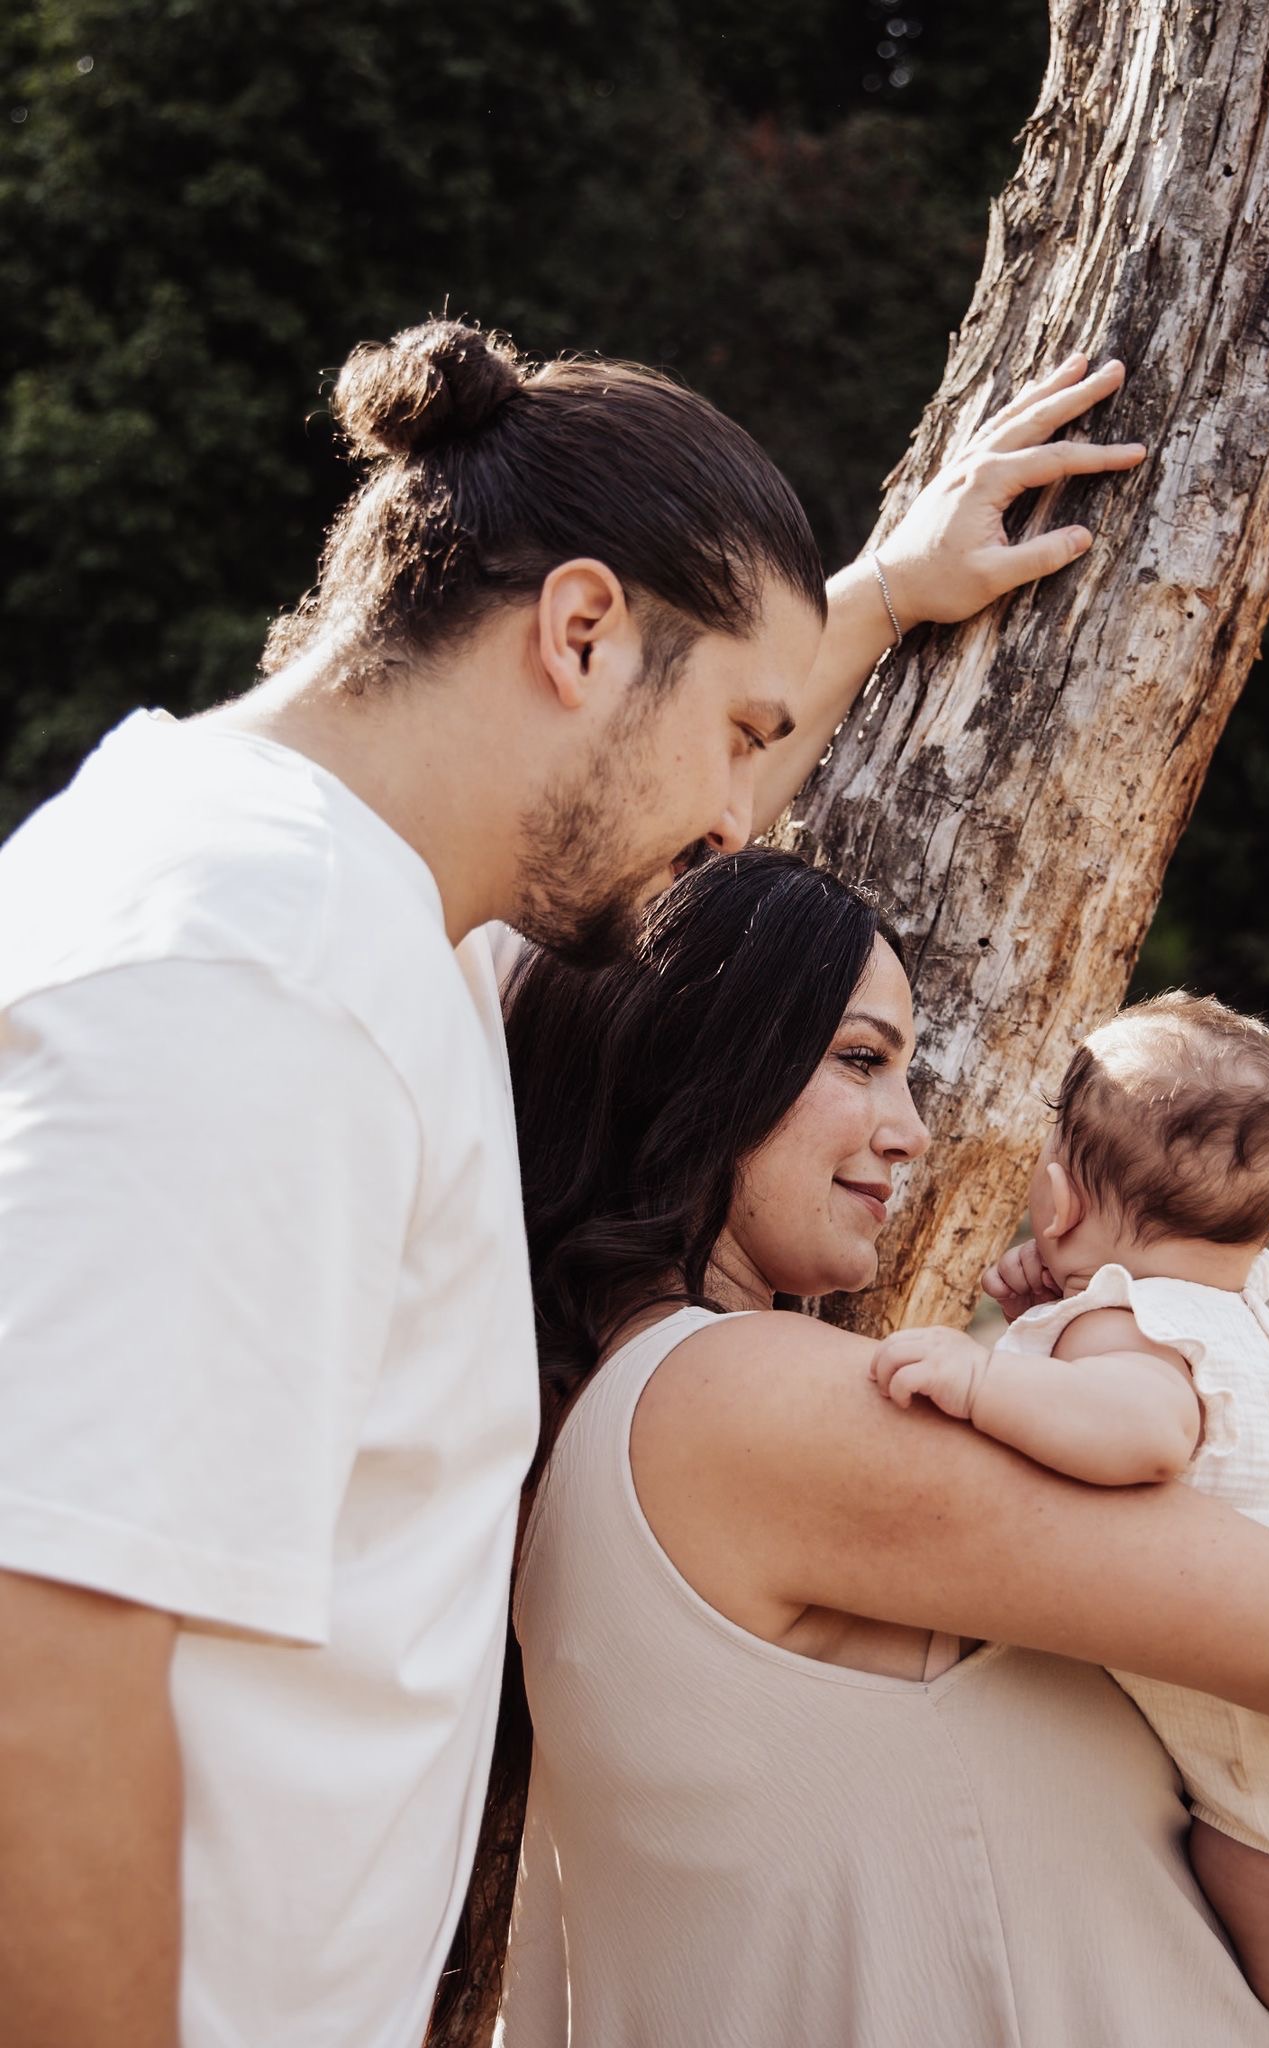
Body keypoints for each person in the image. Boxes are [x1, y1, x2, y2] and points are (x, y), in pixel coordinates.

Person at [0, 315, 1142, 2048]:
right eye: (746, 732)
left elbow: (663, 764)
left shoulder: (379, 917)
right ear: (580, 629)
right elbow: (40, 1671)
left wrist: (880, 594)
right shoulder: (243, 977)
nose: (746, 814)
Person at [497, 848, 1269, 2048]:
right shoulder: (740, 1396)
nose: (909, 1131)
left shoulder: (621, 1416)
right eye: (860, 1058)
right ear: (693, 1055)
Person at [869, 992, 1269, 2048]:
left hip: (1267, 1743)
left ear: (1059, 1199)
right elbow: (1126, 1392)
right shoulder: (1217, 1301)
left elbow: (1145, 1436)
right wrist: (1047, 1325)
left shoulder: (1126, 1335)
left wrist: (984, 1378)